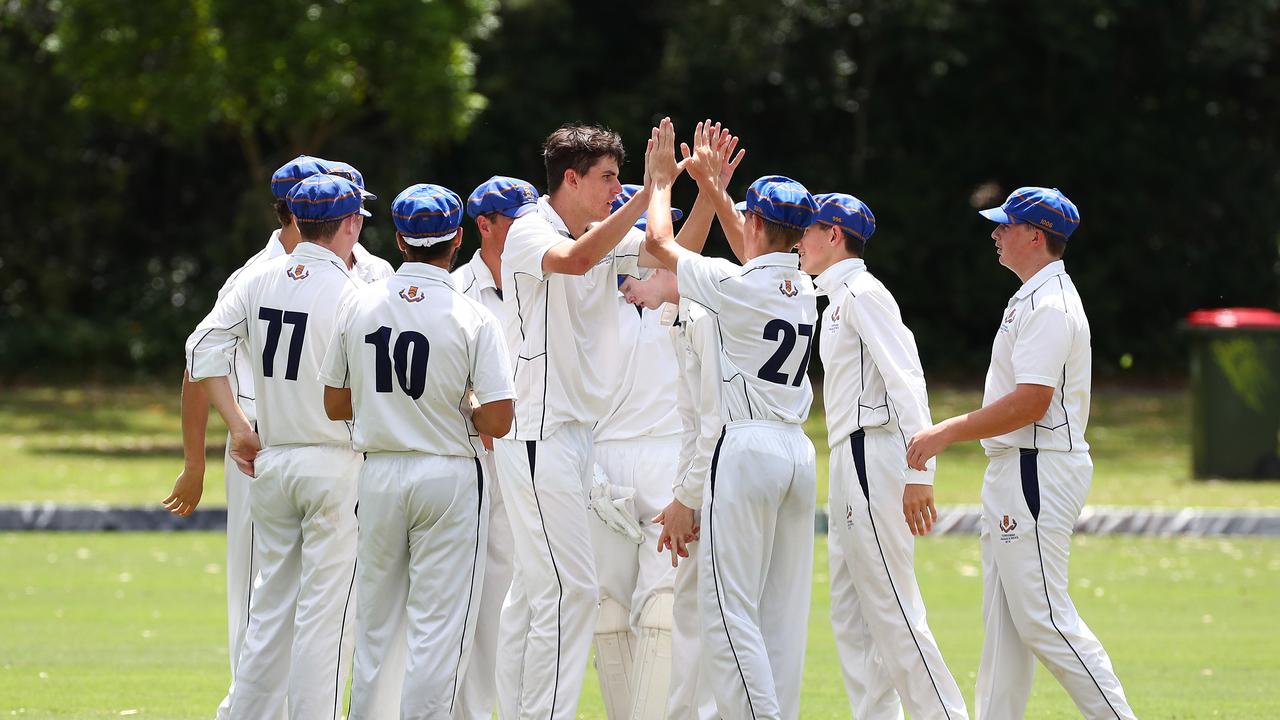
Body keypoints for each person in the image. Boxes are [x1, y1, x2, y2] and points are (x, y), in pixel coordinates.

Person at [493, 120, 706, 719]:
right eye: (609, 178)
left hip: (570, 435)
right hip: (537, 433)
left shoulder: (598, 228)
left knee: (549, 595)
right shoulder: (530, 230)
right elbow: (574, 259)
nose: (617, 188)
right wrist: (649, 191)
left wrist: (693, 190)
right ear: (571, 177)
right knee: (569, 594)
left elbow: (671, 256)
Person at [164, 155, 391, 719]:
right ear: (347, 223)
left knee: (268, 610)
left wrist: (240, 429)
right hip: (336, 461)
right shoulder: (357, 292)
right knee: (325, 617)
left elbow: (200, 352)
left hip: (272, 459)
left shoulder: (258, 280)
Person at [906, 187, 1137, 720]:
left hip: (1036, 466)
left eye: (1005, 225)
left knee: (1041, 618)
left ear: (1036, 236)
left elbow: (1031, 403)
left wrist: (947, 432)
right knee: (1006, 626)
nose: (995, 233)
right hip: (1018, 468)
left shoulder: (1050, 305)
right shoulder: (1032, 297)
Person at [320, 182, 516, 719]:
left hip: (380, 472)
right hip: (449, 473)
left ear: (401, 243)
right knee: (440, 628)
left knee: (376, 624)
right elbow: (498, 419)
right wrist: (462, 409)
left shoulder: (358, 304)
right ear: (457, 239)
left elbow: (336, 405)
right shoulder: (470, 312)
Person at [646, 119, 819, 720]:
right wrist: (718, 192)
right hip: (798, 453)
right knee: (781, 612)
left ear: (758, 225)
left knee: (728, 613)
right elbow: (755, 249)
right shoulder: (805, 287)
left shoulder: (730, 283)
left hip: (744, 451)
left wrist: (665, 184)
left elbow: (659, 249)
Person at [797, 192, 969, 720]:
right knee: (852, 615)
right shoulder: (833, 298)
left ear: (832, 235)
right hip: (849, 459)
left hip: (877, 456)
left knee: (894, 608)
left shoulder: (865, 293)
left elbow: (906, 378)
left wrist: (921, 470)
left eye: (807, 229)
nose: (798, 240)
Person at [451, 175, 539, 720]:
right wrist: (478, 409)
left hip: (538, 456)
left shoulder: (543, 275)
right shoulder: (459, 288)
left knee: (529, 594)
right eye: (516, 220)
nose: (529, 230)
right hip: (478, 458)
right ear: (484, 225)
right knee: (474, 594)